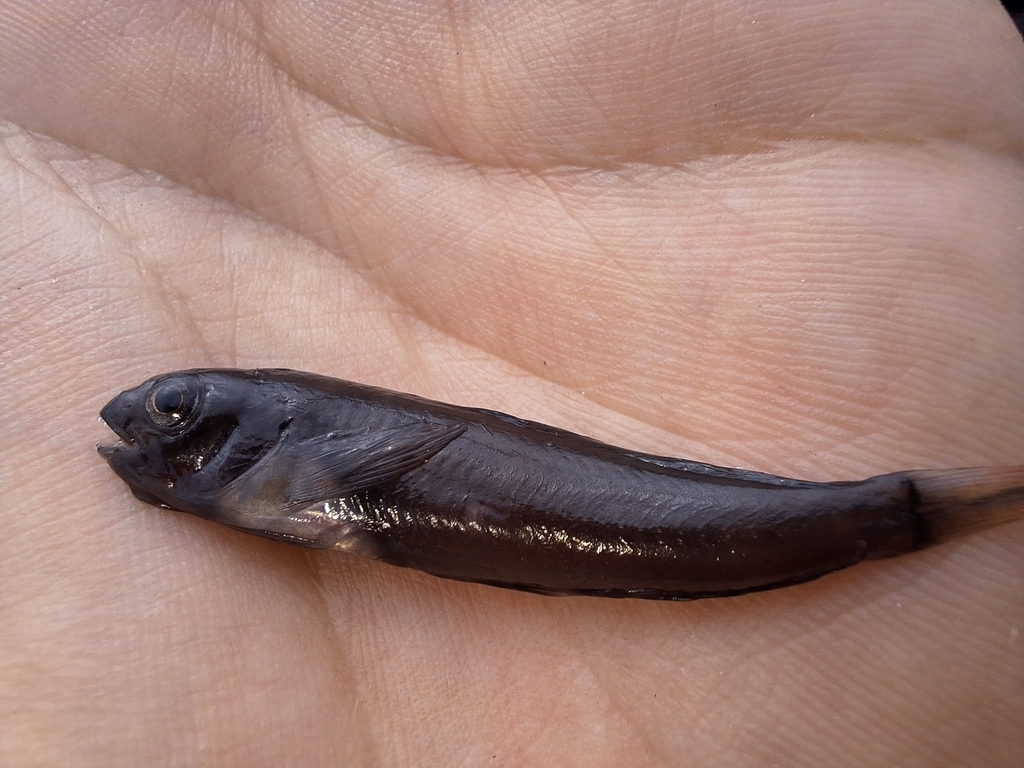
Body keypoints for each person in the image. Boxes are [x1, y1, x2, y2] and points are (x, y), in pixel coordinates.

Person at [1, 2, 1021, 764]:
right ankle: (914, 511)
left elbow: (309, 497)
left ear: (258, 422)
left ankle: (906, 513)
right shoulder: (262, 465)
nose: (152, 428)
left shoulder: (279, 456)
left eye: (179, 415)